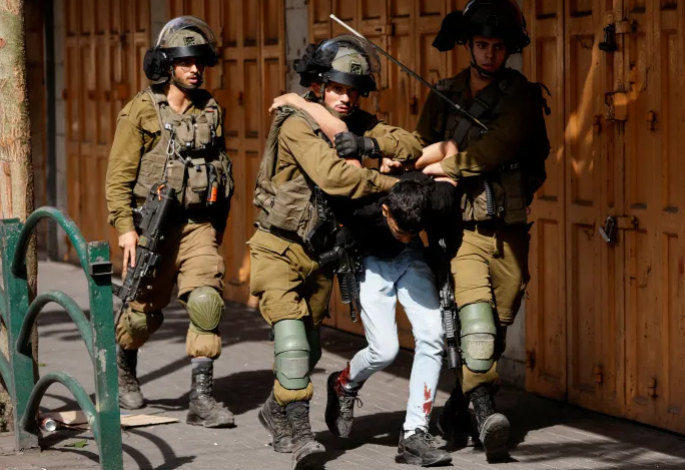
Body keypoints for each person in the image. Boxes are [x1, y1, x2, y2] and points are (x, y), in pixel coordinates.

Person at [250, 35, 424, 470]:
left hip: (320, 255)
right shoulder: (295, 123)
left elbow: (412, 145)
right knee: (293, 347)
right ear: (317, 85)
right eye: (337, 89)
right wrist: (396, 185)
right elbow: (334, 178)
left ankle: (275, 410)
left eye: (353, 91)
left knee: (307, 352)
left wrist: (369, 146)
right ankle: (301, 435)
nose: (346, 98)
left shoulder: (354, 123)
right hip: (278, 247)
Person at [416, 0, 551, 461]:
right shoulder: (444, 93)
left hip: (508, 228)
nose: (489, 54)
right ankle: (486, 413)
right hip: (461, 230)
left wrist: (449, 166)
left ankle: (460, 409)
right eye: (480, 45)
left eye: (497, 46)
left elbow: (502, 147)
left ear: (509, 48)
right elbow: (421, 146)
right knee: (475, 325)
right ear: (467, 45)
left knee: (497, 326)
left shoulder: (522, 95)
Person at [105, 16, 235, 428]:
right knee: (141, 316)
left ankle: (201, 398)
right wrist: (126, 229)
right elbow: (118, 178)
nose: (195, 69)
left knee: (206, 301)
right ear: (166, 65)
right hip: (152, 229)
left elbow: (220, 168)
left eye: (199, 62)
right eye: (185, 62)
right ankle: (125, 364)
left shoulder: (210, 108)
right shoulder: (140, 111)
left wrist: (216, 224)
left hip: (197, 225)